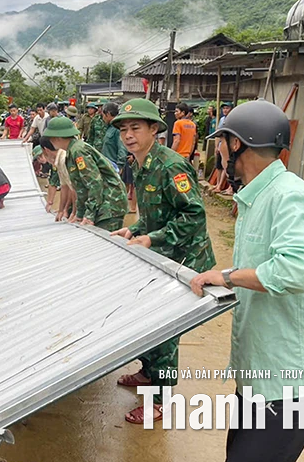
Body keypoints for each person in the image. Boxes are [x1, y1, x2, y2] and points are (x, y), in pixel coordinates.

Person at [190, 100, 304, 462]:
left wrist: (228, 276)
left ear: (237, 144)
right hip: (262, 373)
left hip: (292, 380)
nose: (219, 150)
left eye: (221, 141)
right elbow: (266, 267)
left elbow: (297, 269)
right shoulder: (257, 197)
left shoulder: (290, 195)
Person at [109, 98, 215, 424]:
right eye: (124, 130)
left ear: (154, 129)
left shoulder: (171, 166)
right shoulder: (140, 164)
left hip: (186, 259)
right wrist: (134, 228)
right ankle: (148, 373)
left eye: (135, 128)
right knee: (147, 319)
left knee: (166, 330)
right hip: (162, 257)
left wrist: (152, 238)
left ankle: (162, 400)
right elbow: (156, 212)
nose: (128, 135)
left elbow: (193, 215)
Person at [42, 117, 128, 231]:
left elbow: (94, 183)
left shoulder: (79, 151)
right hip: (103, 202)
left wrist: (89, 215)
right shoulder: (72, 151)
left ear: (57, 137)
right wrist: (80, 214)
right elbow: (81, 188)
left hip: (110, 203)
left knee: (102, 238)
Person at [101, 103, 136, 212]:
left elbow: (122, 148)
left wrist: (120, 166)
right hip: (107, 164)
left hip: (114, 166)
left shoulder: (117, 129)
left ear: (108, 114)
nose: (102, 118)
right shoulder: (109, 128)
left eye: (103, 115)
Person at [40, 135, 77, 221]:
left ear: (46, 150)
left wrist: (74, 213)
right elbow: (64, 187)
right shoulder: (59, 160)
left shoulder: (64, 159)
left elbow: (74, 188)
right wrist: (61, 210)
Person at [214, 102, 233, 194]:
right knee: (219, 165)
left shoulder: (233, 119)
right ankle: (218, 184)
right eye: (224, 108)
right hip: (221, 144)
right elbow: (218, 133)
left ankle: (228, 186)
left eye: (227, 108)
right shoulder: (222, 119)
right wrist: (217, 146)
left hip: (228, 145)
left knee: (227, 166)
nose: (225, 110)